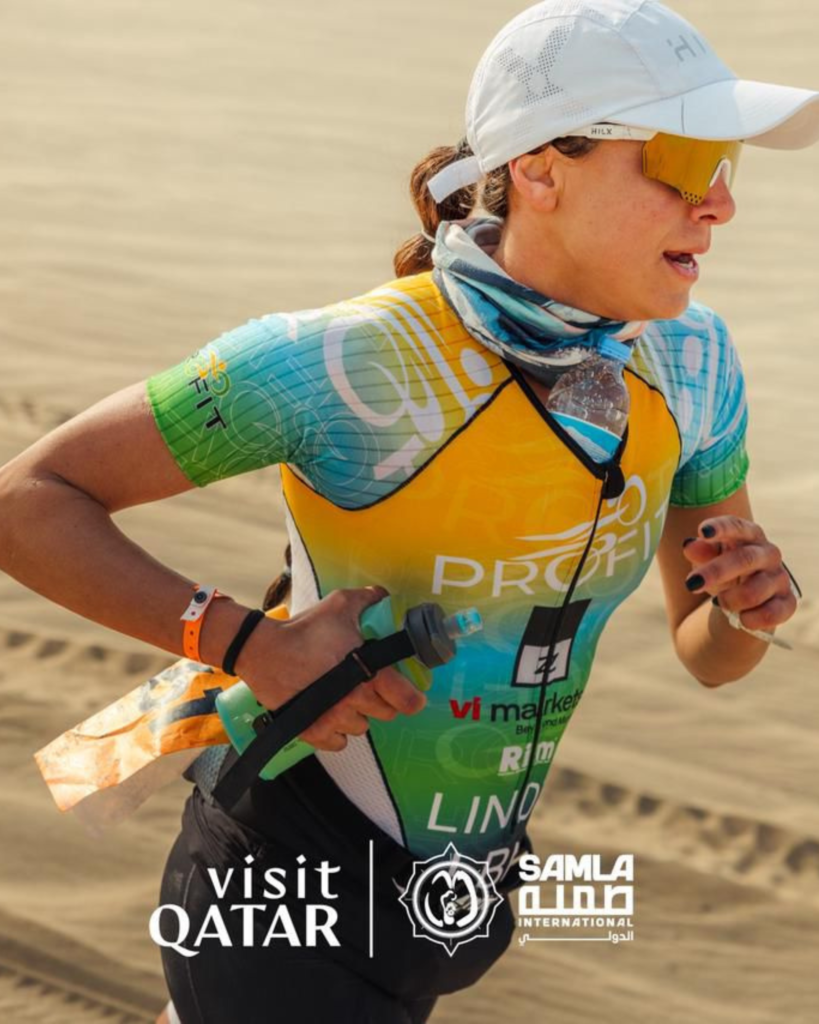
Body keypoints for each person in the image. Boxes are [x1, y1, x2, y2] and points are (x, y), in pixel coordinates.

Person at [0, 0, 816, 1020]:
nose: (721, 203)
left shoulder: (692, 360)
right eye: (687, 161)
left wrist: (745, 610)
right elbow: (28, 501)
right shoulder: (349, 360)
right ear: (540, 171)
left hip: (461, 897)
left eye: (726, 163)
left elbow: (709, 655)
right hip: (285, 875)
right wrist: (247, 643)